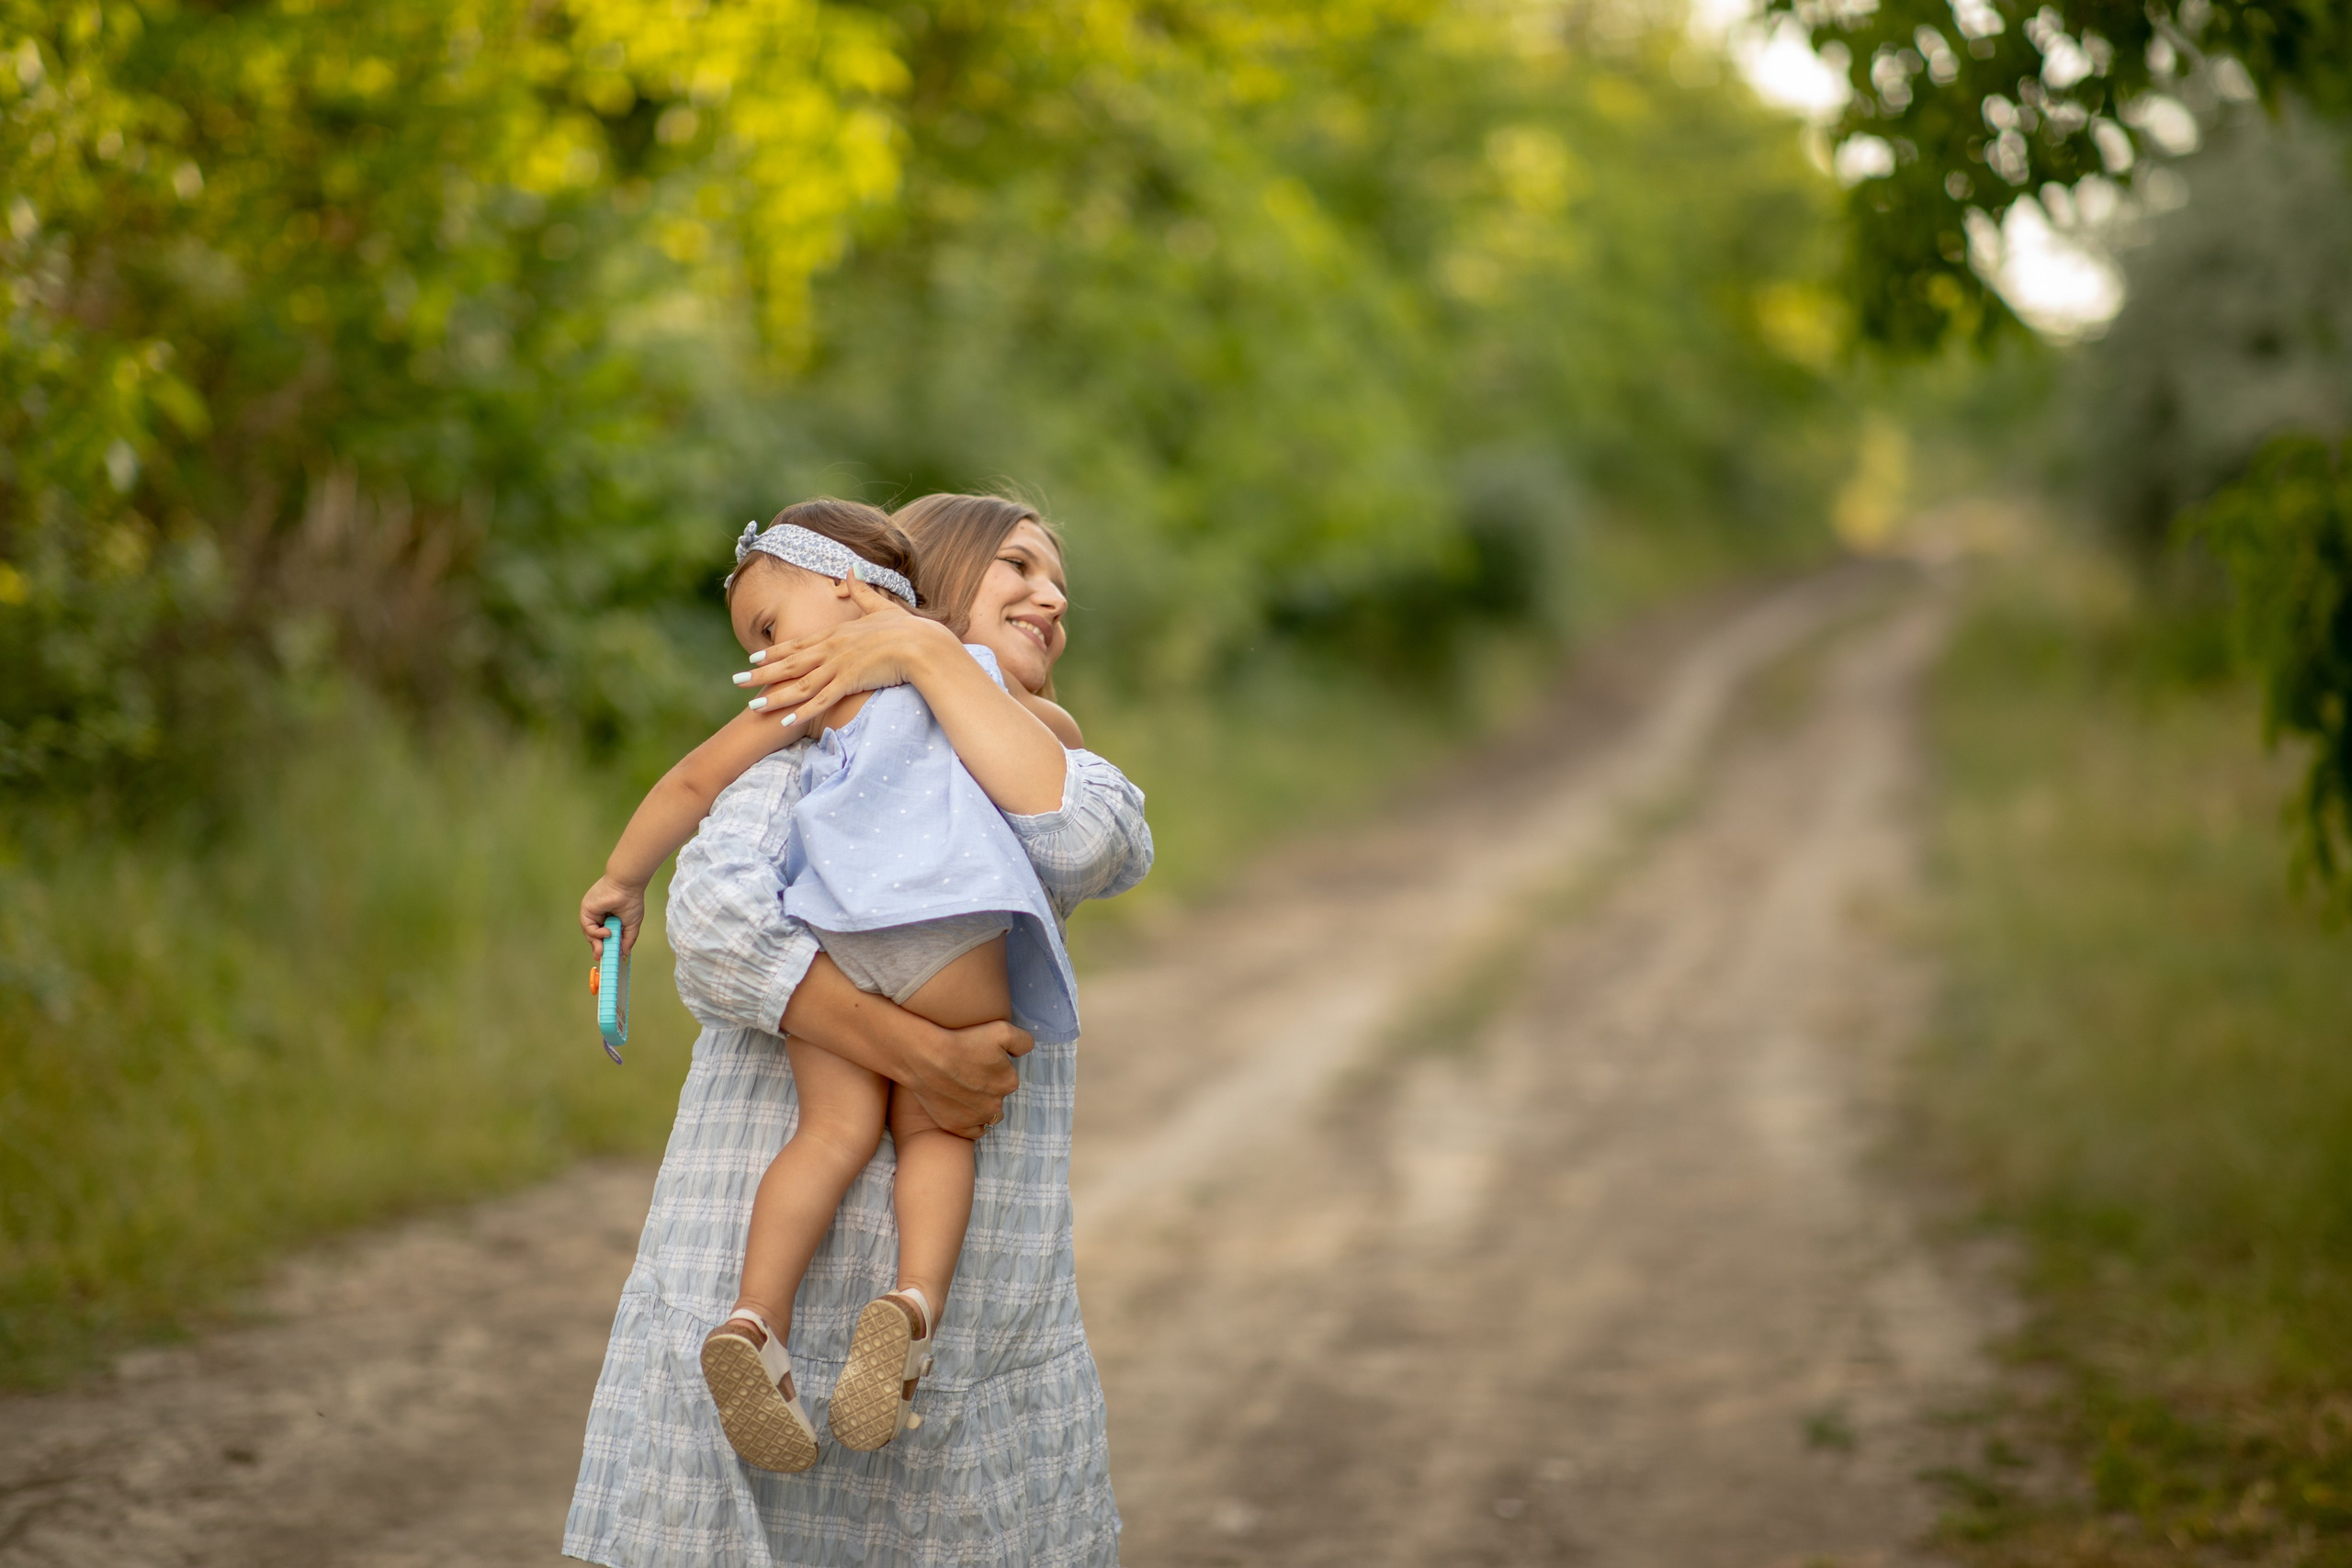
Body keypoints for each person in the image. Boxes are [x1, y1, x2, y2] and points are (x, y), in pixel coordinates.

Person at [565, 495, 1149, 1568]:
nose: (1052, 596)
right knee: (940, 1129)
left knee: (828, 1132)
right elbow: (717, 927)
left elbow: (1081, 833)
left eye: (766, 627)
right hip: (949, 962)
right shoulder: (943, 714)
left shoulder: (848, 712)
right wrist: (925, 1055)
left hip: (841, 944)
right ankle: (909, 1301)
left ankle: (756, 1318)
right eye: (1020, 566)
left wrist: (619, 877)